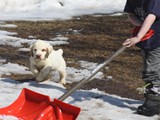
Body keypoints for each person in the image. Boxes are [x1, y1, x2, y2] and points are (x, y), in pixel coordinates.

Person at [123, 0, 160, 116]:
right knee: (148, 68)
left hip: (158, 39)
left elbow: (151, 16)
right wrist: (141, 25)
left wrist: (139, 36)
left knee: (152, 70)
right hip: (148, 40)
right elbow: (131, 14)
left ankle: (154, 101)